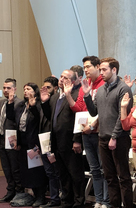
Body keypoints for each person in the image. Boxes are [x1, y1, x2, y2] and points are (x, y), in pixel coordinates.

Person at [83, 57, 133, 208]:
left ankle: (128, 205)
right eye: (100, 69)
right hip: (102, 138)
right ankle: (114, 205)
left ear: (114, 70)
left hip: (119, 138)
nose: (101, 72)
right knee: (109, 176)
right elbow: (93, 112)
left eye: (104, 69)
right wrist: (86, 96)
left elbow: (122, 115)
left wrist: (114, 136)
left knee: (123, 177)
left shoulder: (123, 88)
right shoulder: (100, 90)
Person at [65, 56, 109, 208]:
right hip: (85, 132)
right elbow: (78, 108)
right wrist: (68, 94)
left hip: (98, 132)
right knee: (94, 169)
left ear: (97, 67)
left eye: (88, 67)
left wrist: (91, 127)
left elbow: (103, 111)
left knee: (104, 169)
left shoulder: (104, 84)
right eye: (84, 68)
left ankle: (106, 201)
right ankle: (98, 200)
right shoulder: (87, 83)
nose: (86, 70)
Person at [41, 69, 85, 208]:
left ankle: (78, 202)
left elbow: (80, 118)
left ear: (72, 81)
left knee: (75, 173)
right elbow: (50, 117)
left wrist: (77, 139)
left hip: (70, 140)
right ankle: (67, 200)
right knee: (63, 173)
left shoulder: (76, 94)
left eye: (65, 77)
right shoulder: (55, 97)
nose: (61, 79)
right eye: (60, 76)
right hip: (57, 141)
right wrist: (44, 103)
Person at [6, 82, 48, 207]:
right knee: (27, 172)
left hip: (34, 143)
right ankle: (35, 195)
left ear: (35, 92)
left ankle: (41, 196)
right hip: (23, 144)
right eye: (24, 89)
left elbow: (38, 118)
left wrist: (33, 105)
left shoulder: (39, 105)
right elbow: (12, 119)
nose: (25, 91)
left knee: (37, 172)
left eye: (28, 89)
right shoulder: (21, 106)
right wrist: (10, 102)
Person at [39, 76, 61, 208]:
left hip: (54, 141)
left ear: (56, 89)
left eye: (49, 88)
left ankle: (60, 198)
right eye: (44, 87)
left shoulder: (57, 100)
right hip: (44, 140)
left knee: (57, 171)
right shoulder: (44, 101)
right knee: (49, 172)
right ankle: (54, 199)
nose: (46, 90)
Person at [0, 78, 23, 202]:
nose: (5, 90)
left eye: (8, 88)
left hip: (13, 139)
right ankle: (10, 190)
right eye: (4, 88)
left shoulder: (19, 103)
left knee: (15, 167)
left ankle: (19, 191)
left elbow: (18, 123)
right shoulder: (1, 102)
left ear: (14, 89)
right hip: (2, 138)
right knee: (6, 167)